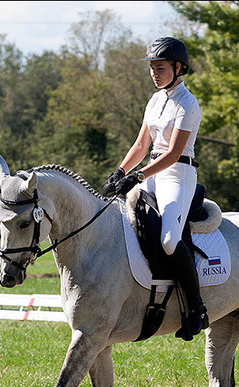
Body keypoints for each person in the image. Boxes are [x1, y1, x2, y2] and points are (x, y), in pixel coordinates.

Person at [102, 36, 208, 341]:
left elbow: (173, 153)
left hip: (177, 174)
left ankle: (197, 307)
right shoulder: (154, 100)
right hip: (150, 170)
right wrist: (120, 171)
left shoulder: (188, 104)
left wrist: (136, 177)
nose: (154, 73)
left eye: (159, 68)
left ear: (178, 67)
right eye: (152, 68)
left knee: (170, 240)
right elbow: (140, 145)